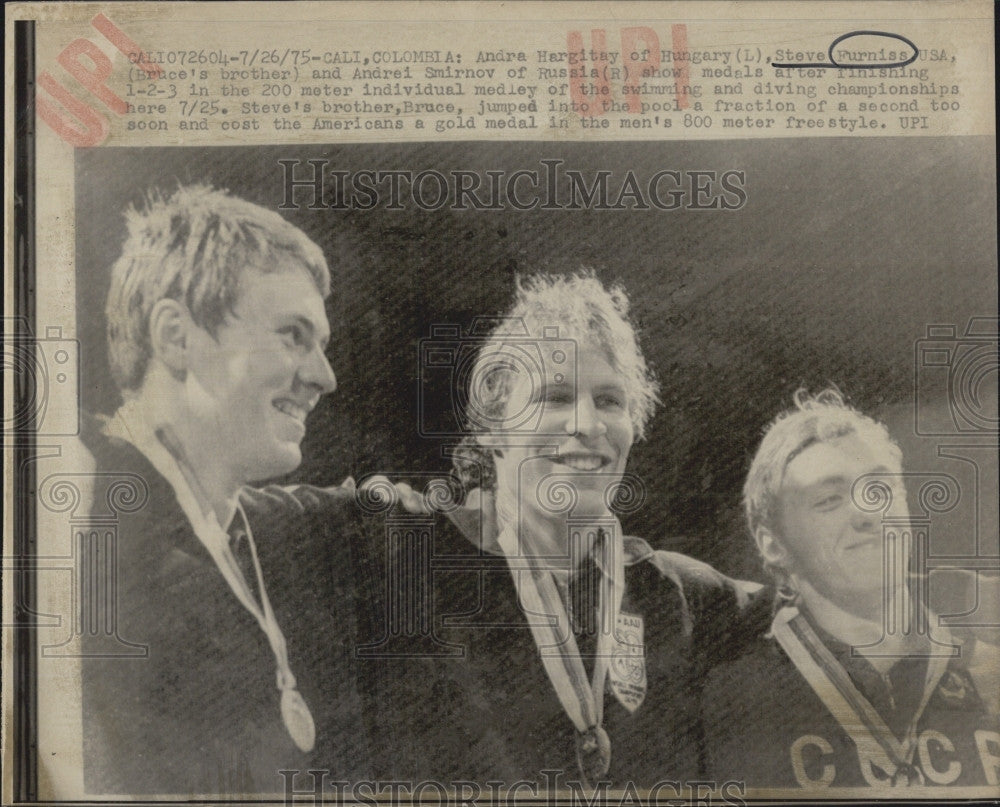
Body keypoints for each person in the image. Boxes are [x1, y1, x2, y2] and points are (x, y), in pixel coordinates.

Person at [395, 272, 771, 788]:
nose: (588, 424)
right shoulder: (413, 564)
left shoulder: (685, 594)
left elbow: (826, 606)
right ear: (493, 429)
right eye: (555, 397)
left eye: (610, 401)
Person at [79, 185, 374, 795]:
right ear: (176, 336)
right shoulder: (78, 524)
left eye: (322, 344)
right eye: (293, 335)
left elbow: (374, 505)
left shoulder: (246, 525)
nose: (326, 376)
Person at [702, 389, 1000, 789]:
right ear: (773, 544)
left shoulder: (989, 653)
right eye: (828, 500)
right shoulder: (739, 700)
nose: (867, 512)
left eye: (881, 489)